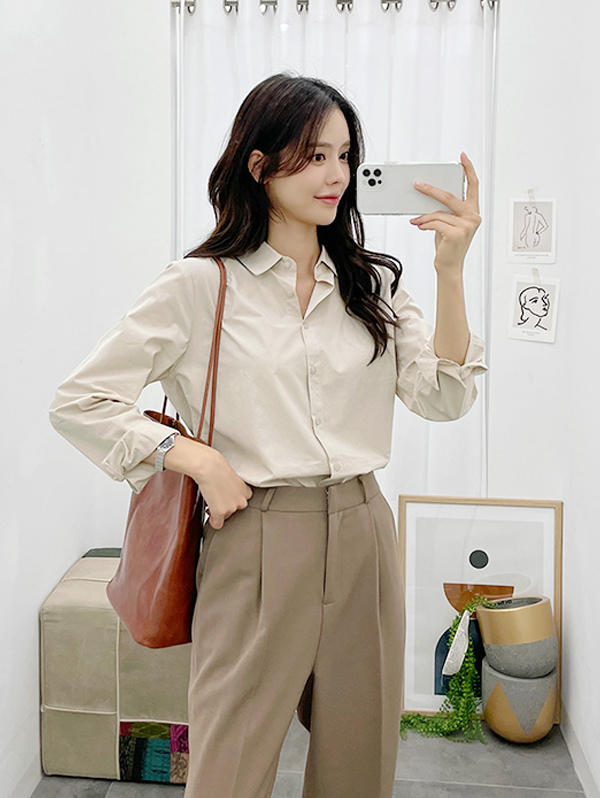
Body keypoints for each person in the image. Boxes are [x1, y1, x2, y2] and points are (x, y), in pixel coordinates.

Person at [49, 73, 487, 798]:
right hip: (255, 535)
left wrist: (450, 273)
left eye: (345, 156)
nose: (337, 175)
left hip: (363, 533)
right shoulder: (200, 285)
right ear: (259, 165)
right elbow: (81, 401)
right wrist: (195, 459)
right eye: (314, 156)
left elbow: (444, 397)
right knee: (230, 765)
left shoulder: (373, 286)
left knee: (359, 762)